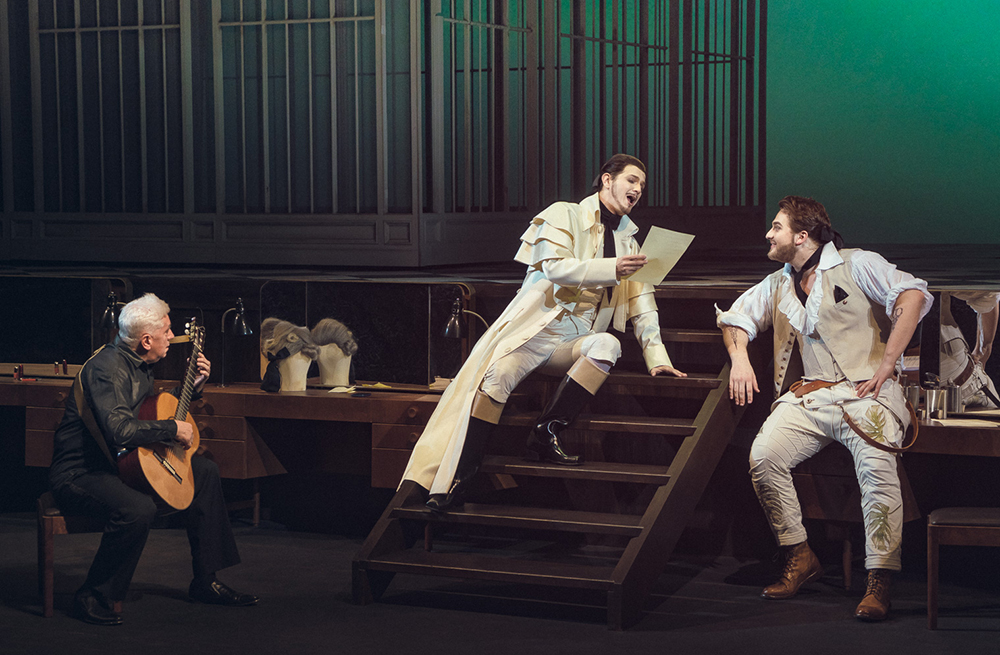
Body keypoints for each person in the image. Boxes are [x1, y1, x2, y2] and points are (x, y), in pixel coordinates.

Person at [401, 154, 686, 513]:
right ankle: (462, 474)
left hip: (575, 337)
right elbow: (554, 268)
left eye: (642, 186)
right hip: (537, 330)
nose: (637, 190)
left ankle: (546, 432)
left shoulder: (629, 240)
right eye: (631, 180)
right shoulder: (565, 214)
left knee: (607, 345)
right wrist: (611, 267)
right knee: (496, 375)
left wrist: (657, 358)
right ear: (606, 180)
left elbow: (643, 301)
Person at [717, 196, 932, 622]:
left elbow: (912, 293)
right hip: (812, 397)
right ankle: (799, 554)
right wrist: (739, 357)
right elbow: (735, 319)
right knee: (763, 456)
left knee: (876, 467)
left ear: (802, 235)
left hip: (866, 392)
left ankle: (880, 577)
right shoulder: (780, 282)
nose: (767, 234)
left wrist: (888, 363)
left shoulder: (857, 263)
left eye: (775, 227)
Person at [48, 293, 258, 626]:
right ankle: (93, 593)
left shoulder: (140, 365)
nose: (172, 337)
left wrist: (194, 387)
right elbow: (119, 429)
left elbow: (146, 413)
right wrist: (172, 428)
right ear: (146, 340)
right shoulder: (106, 370)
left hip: (120, 463)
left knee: (203, 471)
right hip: (81, 472)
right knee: (137, 509)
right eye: (167, 331)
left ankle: (206, 580)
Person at [940, 291, 999, 408]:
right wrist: (984, 348)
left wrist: (983, 347)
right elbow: (988, 294)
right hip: (958, 380)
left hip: (957, 380)